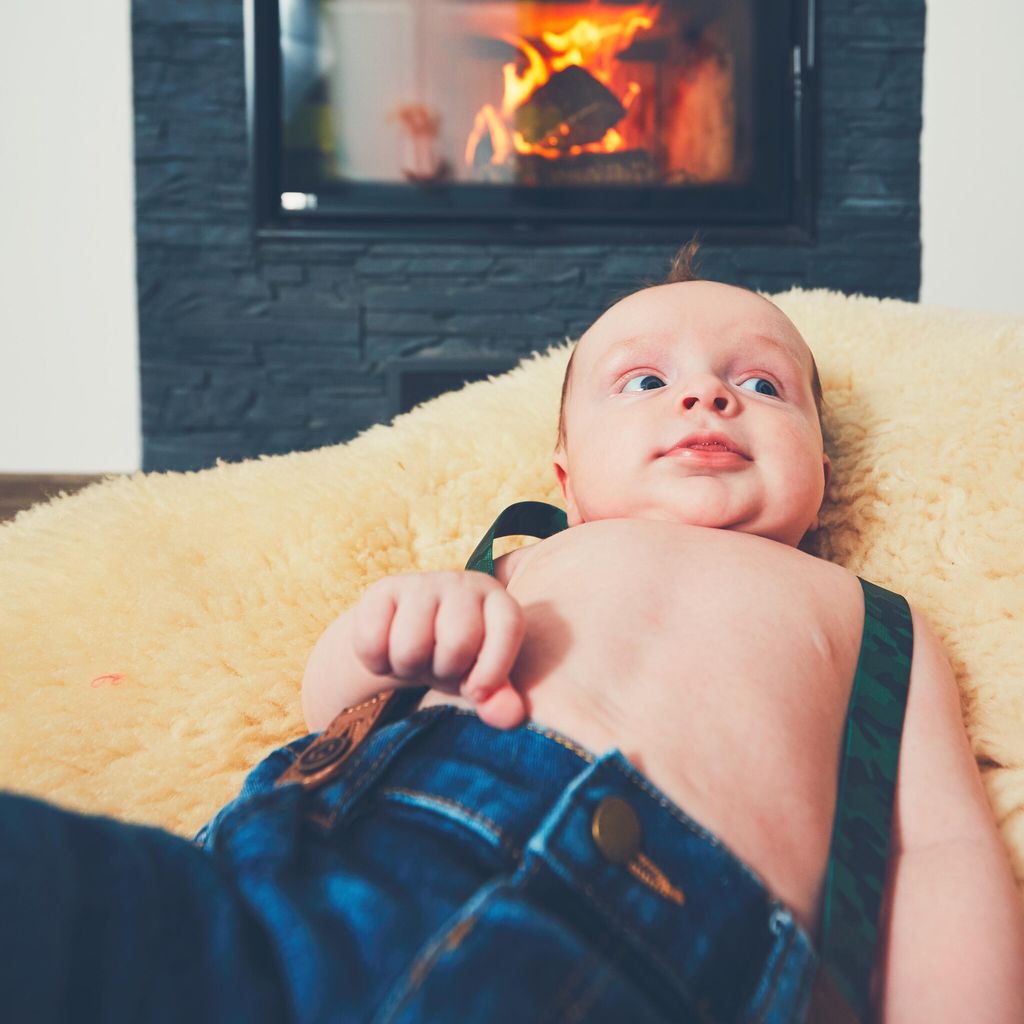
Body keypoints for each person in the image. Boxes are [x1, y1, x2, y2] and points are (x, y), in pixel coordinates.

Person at [3, 245, 1022, 1024]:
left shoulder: (873, 621)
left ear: (824, 471)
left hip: (654, 944)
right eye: (642, 382)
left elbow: (939, 850)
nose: (707, 395)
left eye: (760, 385)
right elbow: (336, 704)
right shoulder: (518, 559)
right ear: (569, 477)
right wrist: (391, 630)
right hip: (319, 869)